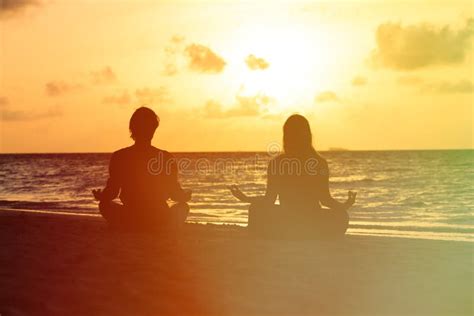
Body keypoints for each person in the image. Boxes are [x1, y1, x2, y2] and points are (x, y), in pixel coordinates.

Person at [229, 114, 356, 239]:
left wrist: (246, 199)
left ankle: (283, 233)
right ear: (308, 136)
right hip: (312, 221)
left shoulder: (277, 163)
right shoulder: (319, 162)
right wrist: (344, 206)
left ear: (287, 137)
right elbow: (325, 200)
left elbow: (269, 200)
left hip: (287, 220)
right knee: (342, 216)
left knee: (255, 209)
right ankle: (308, 235)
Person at [92, 107, 191, 232]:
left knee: (104, 205)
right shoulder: (165, 157)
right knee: (183, 207)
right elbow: (175, 194)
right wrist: (185, 196)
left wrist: (101, 196)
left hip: (131, 216)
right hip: (159, 217)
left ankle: (127, 226)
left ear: (132, 129)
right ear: (153, 130)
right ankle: (164, 228)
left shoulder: (119, 156)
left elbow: (112, 193)